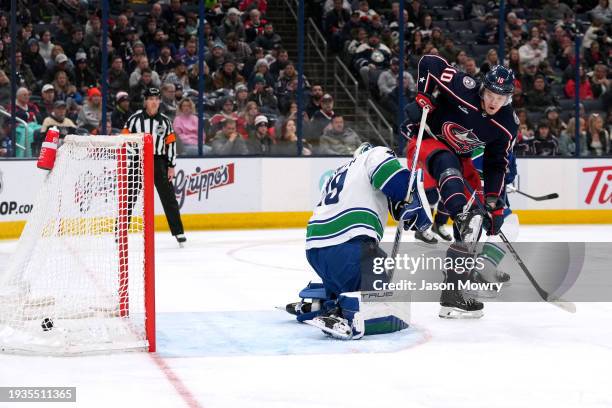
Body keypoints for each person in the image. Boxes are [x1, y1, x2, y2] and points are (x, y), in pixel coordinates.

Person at [400, 55, 519, 318]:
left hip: (459, 160)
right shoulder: (463, 85)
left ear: (509, 98)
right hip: (427, 144)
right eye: (490, 94)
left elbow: (496, 163)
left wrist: (493, 204)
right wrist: (423, 95)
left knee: (475, 222)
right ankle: (459, 212)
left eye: (500, 97)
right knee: (447, 164)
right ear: (483, 88)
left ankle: (453, 294)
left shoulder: (507, 125)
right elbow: (430, 62)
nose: (493, 101)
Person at [285, 143, 432, 340]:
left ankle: (322, 304)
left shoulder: (342, 171)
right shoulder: (374, 154)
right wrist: (411, 196)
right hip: (349, 246)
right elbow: (392, 178)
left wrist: (401, 204)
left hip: (316, 249)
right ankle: (344, 315)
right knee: (382, 290)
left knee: (349, 283)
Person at [122, 87, 186, 246]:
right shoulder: (134, 119)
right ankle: (120, 231)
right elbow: (124, 140)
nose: (154, 102)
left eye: (157, 99)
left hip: (159, 161)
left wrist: (171, 166)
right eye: (151, 99)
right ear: (145, 101)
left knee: (169, 197)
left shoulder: (165, 121)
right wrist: (132, 156)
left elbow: (170, 144)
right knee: (129, 196)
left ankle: (178, 231)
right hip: (138, 160)